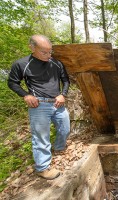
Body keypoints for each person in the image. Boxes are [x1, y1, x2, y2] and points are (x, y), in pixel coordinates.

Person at [8, 34, 70, 179]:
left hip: (57, 102)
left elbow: (65, 80)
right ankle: (43, 168)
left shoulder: (56, 63)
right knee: (41, 137)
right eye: (44, 52)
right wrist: (26, 95)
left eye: (50, 51)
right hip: (39, 105)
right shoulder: (22, 64)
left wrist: (63, 94)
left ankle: (59, 148)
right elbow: (12, 82)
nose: (48, 55)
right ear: (32, 47)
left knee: (65, 128)